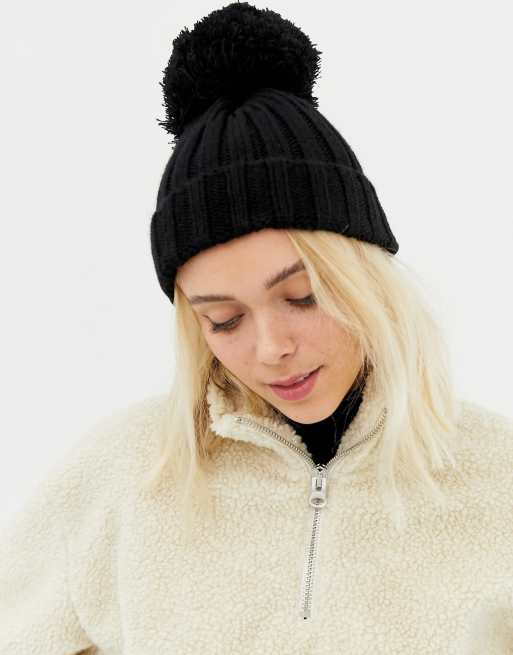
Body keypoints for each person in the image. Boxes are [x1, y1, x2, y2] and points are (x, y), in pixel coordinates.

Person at [2, 2, 513, 653]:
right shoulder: (123, 475)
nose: (271, 348)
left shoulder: (498, 480)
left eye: (302, 296)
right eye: (224, 319)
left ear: (363, 275)